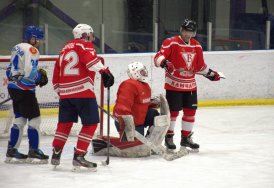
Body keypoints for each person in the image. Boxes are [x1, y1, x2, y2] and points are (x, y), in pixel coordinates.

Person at [50, 23, 114, 170]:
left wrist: (63, 92)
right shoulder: (85, 45)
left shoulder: (63, 50)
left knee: (64, 124)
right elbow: (91, 62)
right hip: (83, 92)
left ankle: (56, 151)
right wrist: (104, 71)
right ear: (85, 35)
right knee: (91, 123)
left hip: (65, 94)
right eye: (90, 34)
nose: (92, 38)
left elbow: (56, 76)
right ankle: (79, 155)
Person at [154, 19, 224, 151]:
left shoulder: (197, 46)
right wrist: (165, 63)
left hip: (190, 86)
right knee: (173, 112)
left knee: (190, 112)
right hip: (173, 84)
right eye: (186, 30)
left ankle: (186, 138)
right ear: (181, 30)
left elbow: (199, 66)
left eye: (190, 32)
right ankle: (169, 136)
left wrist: (211, 74)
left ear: (194, 33)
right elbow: (158, 57)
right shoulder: (171, 42)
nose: (187, 34)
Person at [92, 62, 169, 158]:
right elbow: (122, 106)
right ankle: (105, 147)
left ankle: (151, 141)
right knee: (134, 150)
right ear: (135, 73)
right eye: (142, 72)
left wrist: (152, 103)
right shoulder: (128, 85)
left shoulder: (145, 86)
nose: (145, 73)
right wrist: (125, 123)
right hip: (127, 122)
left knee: (155, 115)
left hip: (139, 120)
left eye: (144, 71)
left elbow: (141, 104)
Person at [5, 25, 49, 164]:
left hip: (13, 87)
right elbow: (30, 70)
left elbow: (9, 70)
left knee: (20, 119)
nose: (38, 42)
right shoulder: (32, 49)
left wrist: (16, 81)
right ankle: (34, 150)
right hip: (25, 90)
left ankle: (12, 150)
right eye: (37, 39)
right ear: (32, 38)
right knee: (35, 120)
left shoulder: (16, 47)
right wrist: (39, 78)